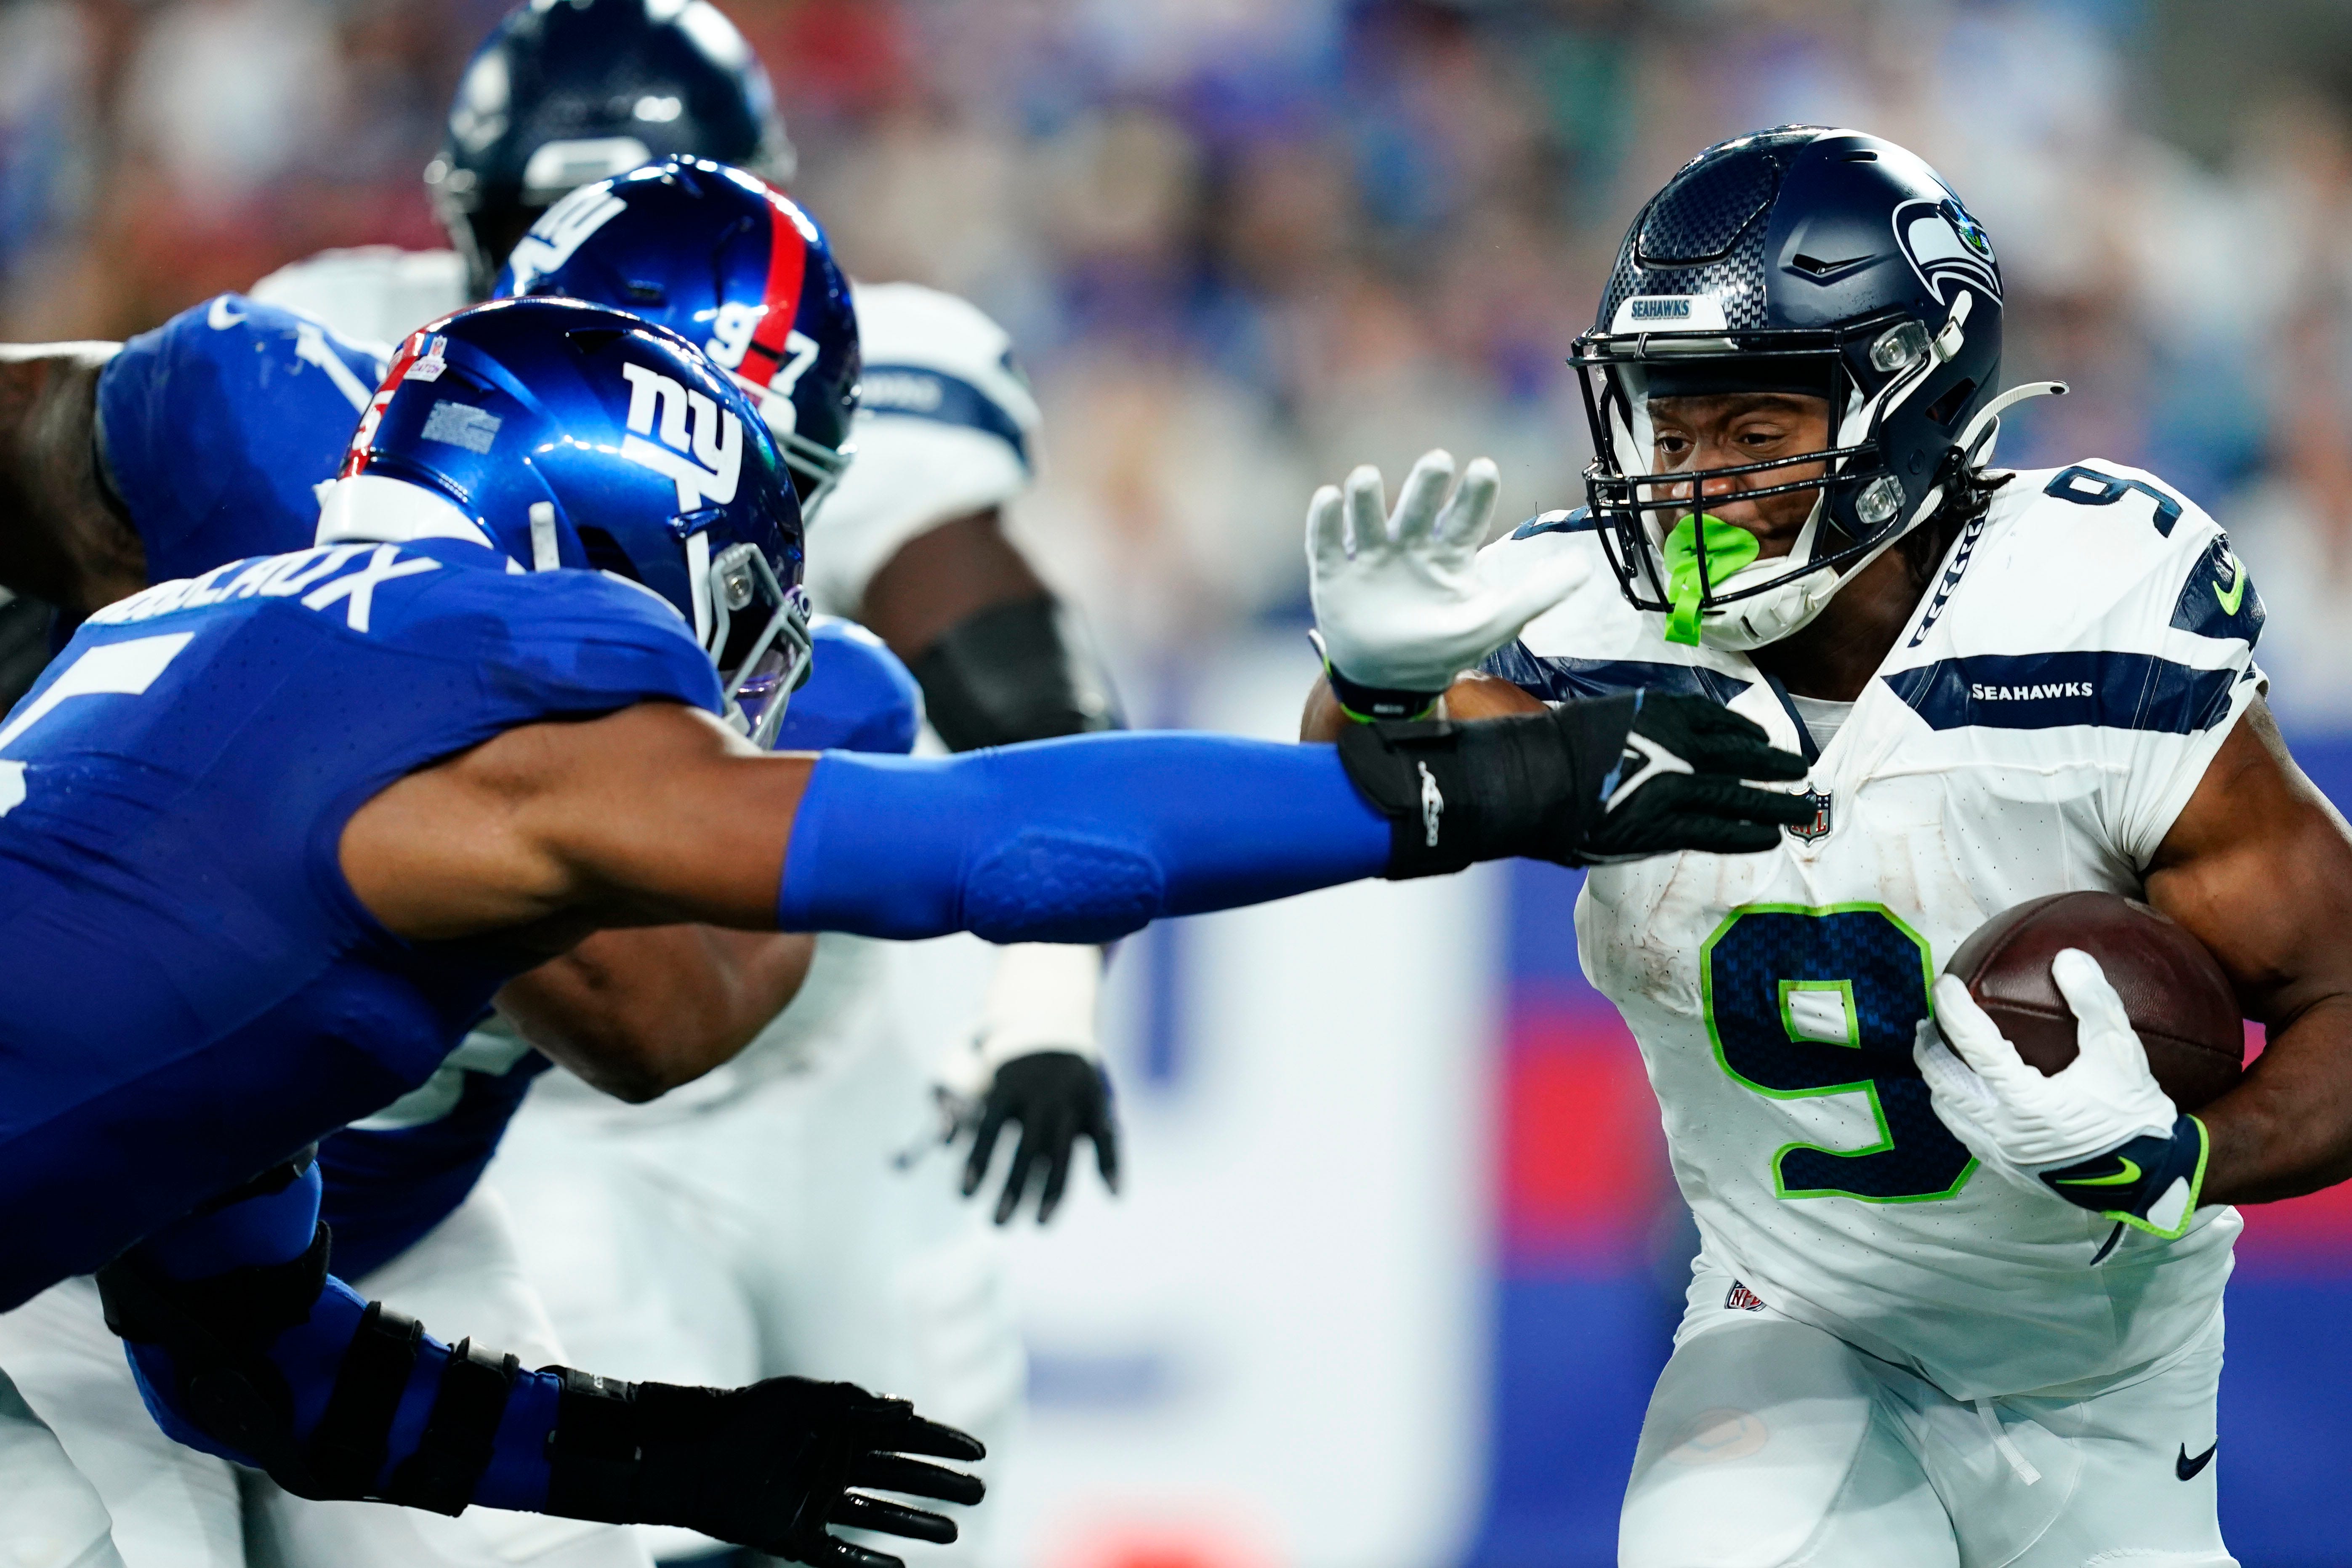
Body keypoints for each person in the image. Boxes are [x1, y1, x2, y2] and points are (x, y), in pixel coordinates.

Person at [0, 296, 1809, 1562]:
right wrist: (1480, 790)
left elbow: (252, 1361)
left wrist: (655, 1446)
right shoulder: (466, 662)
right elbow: (985, 843)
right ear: (606, 545)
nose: (725, 681)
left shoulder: (202, 697)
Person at [1302, 125, 2352, 1567]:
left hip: (2109, 1381)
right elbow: (1369, 795)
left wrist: (2179, 1155)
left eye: (1751, 435)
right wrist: (1367, 685)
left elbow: (2340, 999)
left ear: (1912, 413)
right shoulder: (1594, 628)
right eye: (1669, 433)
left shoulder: (2085, 612)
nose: (1691, 488)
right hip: (1786, 1331)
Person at [253, 0, 1125, 1242]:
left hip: (786, 1054)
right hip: (499, 1080)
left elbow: (1019, 680)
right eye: (547, 230)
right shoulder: (327, 353)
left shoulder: (811, 361)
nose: (627, 310)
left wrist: (1047, 990)